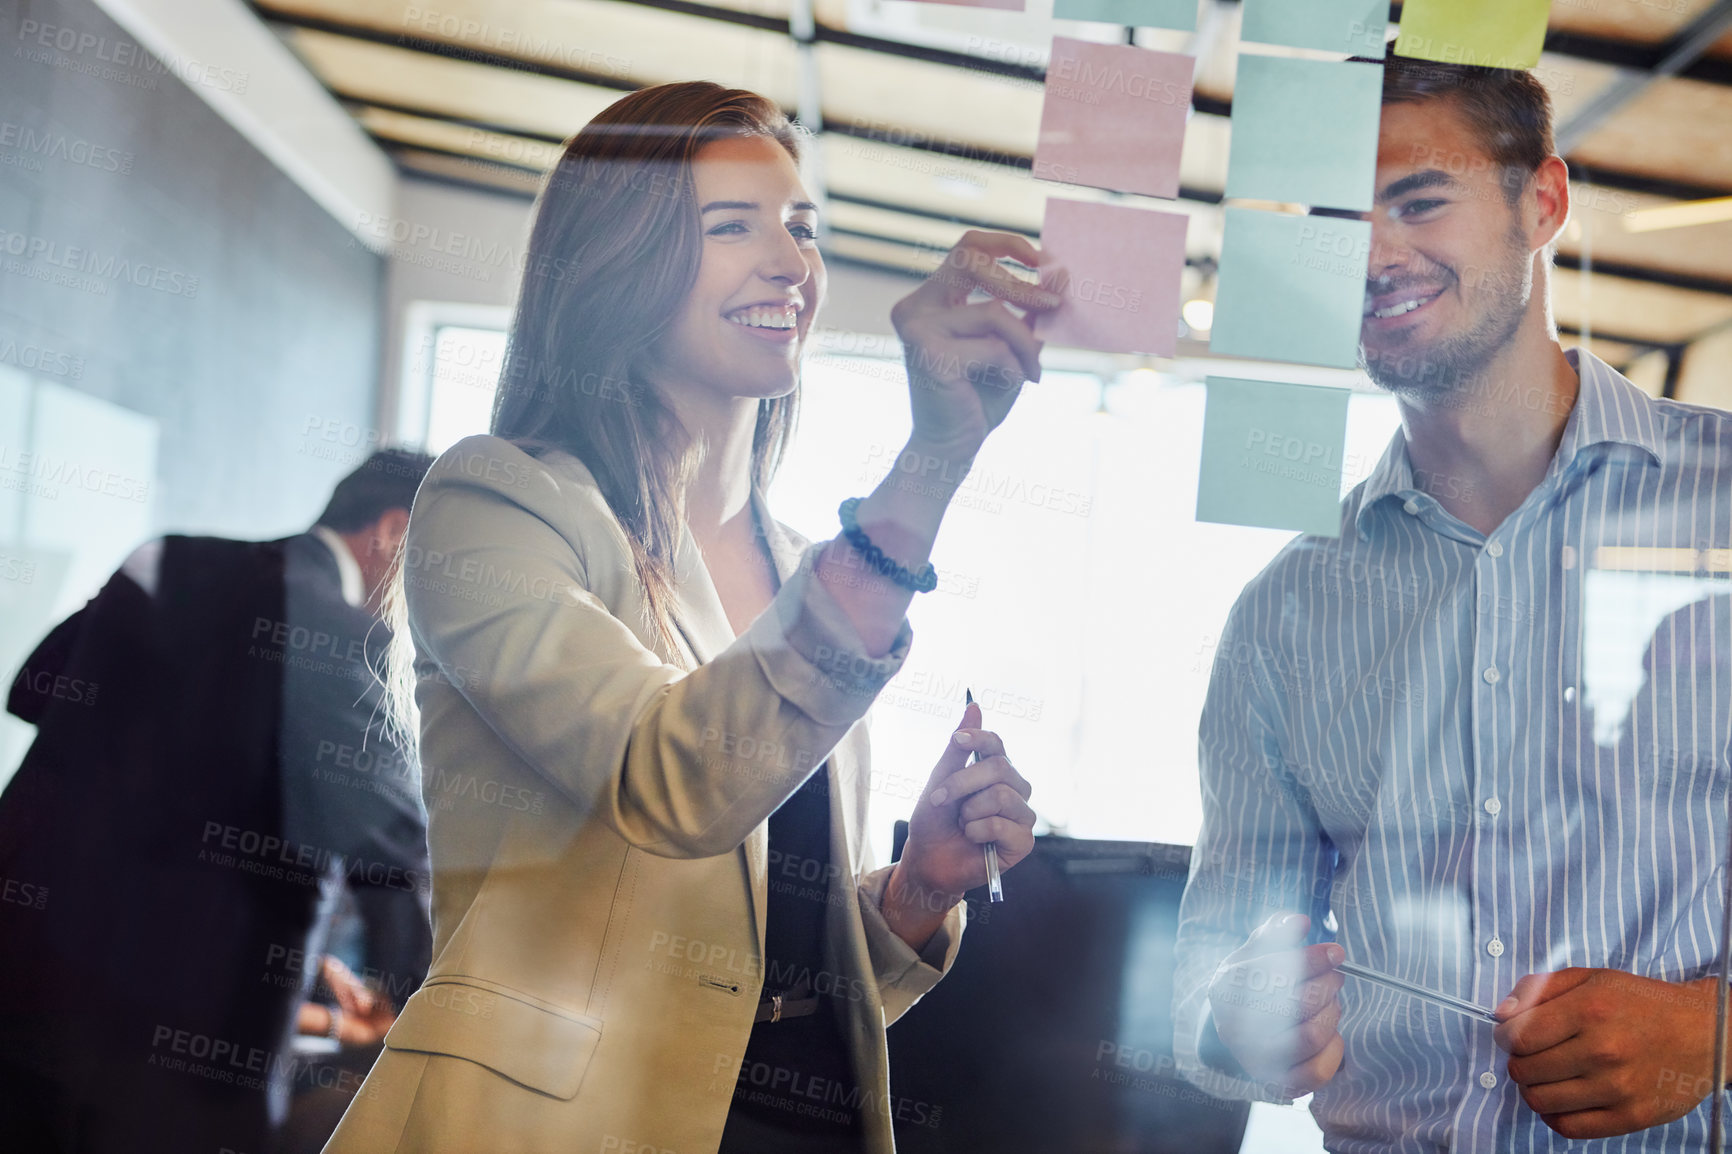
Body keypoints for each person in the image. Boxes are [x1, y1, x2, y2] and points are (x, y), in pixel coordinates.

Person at [321, 82, 1047, 1154]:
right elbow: (666, 779)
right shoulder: (495, 501)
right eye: (730, 226)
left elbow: (743, 964)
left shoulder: (807, 567)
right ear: (619, 264)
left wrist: (913, 889)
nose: (790, 264)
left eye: (803, 228)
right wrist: (930, 460)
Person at [1173, 53, 1732, 1151]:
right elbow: (1210, 958)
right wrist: (1233, 1021)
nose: (1372, 253)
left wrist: (1714, 1031)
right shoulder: (1286, 606)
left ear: (1544, 202)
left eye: (1418, 200)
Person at [0, 448, 436, 1154]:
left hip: (28, 983)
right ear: (394, 530)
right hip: (183, 1042)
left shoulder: (165, 560)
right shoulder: (352, 637)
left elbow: (32, 690)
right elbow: (391, 851)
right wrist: (428, 998)